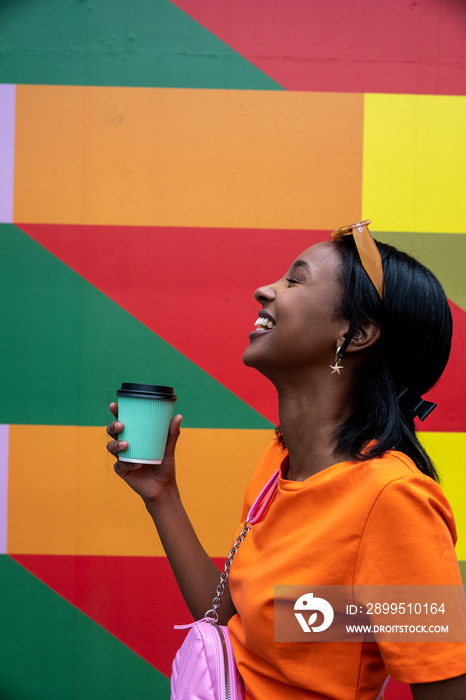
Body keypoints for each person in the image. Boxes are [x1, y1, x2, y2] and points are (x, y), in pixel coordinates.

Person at [107, 221, 466, 699]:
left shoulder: (393, 501)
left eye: (295, 280)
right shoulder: (280, 460)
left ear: (356, 333)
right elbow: (239, 629)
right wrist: (161, 493)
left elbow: (445, 690)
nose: (264, 291)